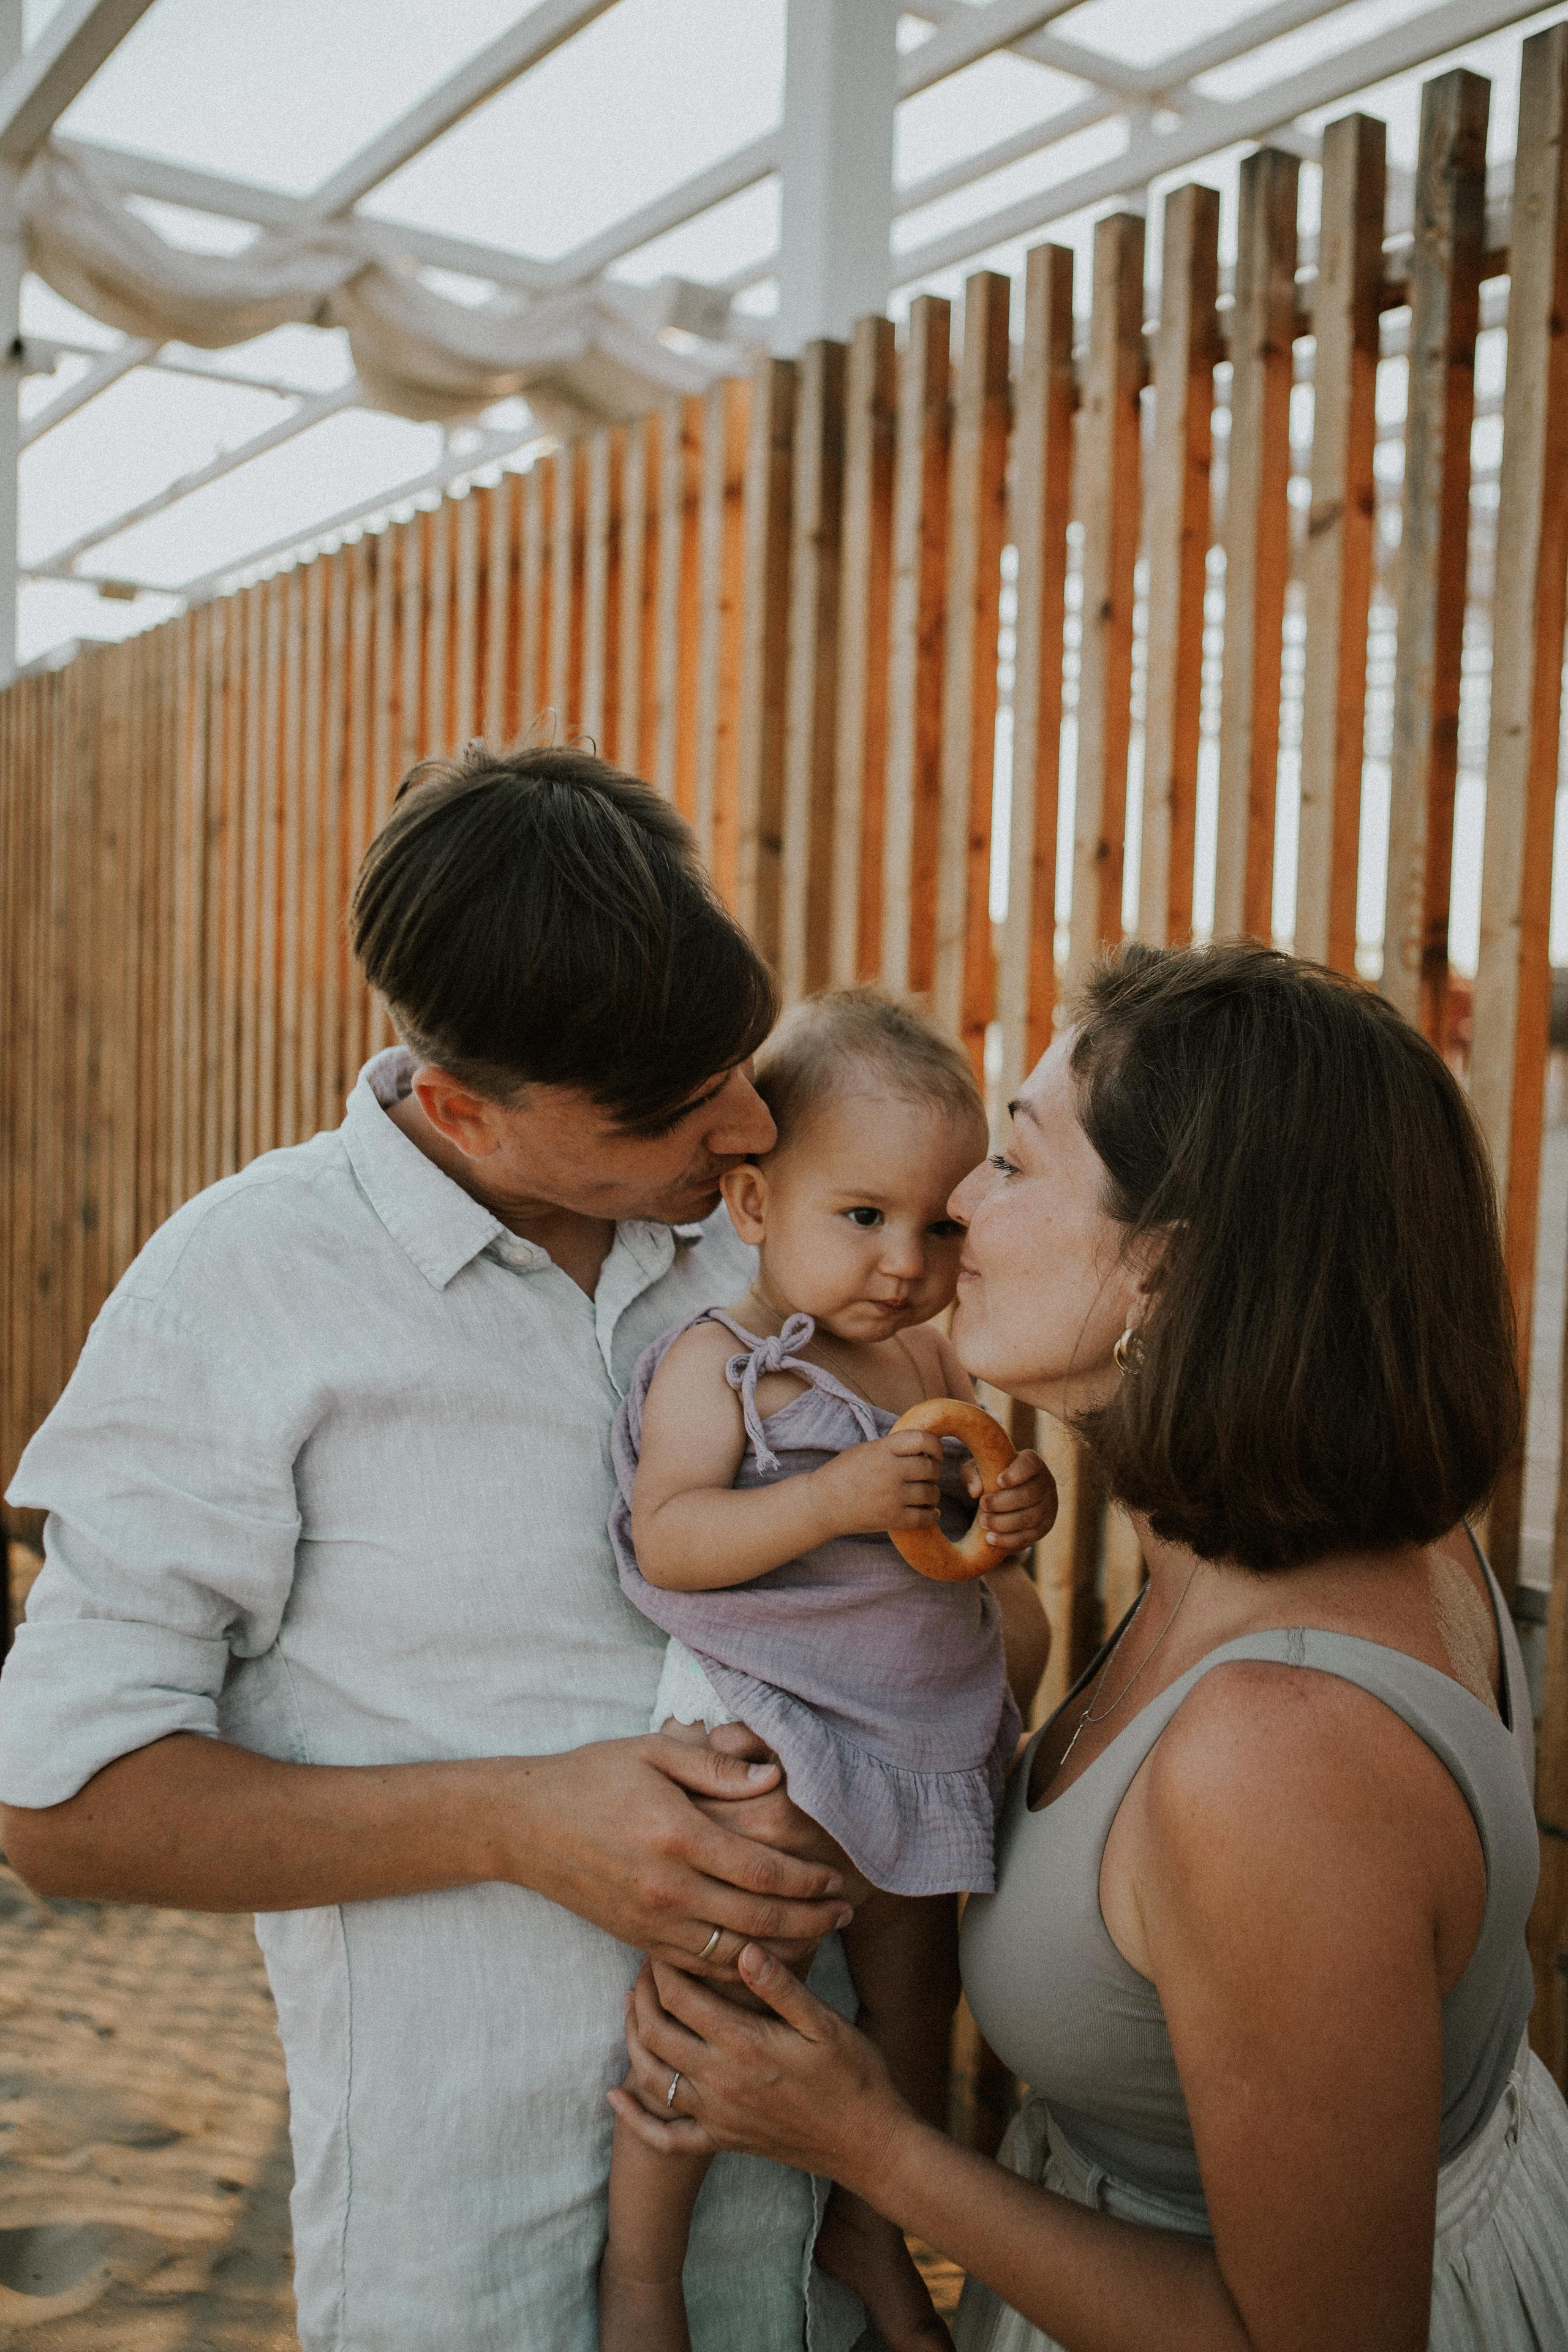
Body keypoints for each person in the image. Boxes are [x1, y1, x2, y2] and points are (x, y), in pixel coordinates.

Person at [0, 745, 876, 2352]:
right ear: (465, 1108)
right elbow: (58, 1810)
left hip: (811, 2221)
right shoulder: (242, 1289)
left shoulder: (770, 1238)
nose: (751, 1120)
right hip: (468, 2265)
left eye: (742, 1064)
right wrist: (523, 1823)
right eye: (682, 1110)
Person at [608, 940, 1568, 2352]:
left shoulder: (1277, 1755)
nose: (957, 1213)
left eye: (1009, 1163)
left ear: (1160, 1273)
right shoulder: (1344, 1533)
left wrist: (868, 2148)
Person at [599, 990, 1054, 2352]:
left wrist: (1000, 1520)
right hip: (778, 1741)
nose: (904, 1262)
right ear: (752, 1203)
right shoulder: (718, 1367)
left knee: (916, 2008)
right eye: (861, 1217)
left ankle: (869, 2213)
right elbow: (671, 1540)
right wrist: (835, 1497)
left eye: (939, 1225)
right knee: (718, 1994)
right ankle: (644, 2269)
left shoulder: (921, 1357)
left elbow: (945, 1544)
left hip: (912, 1745)